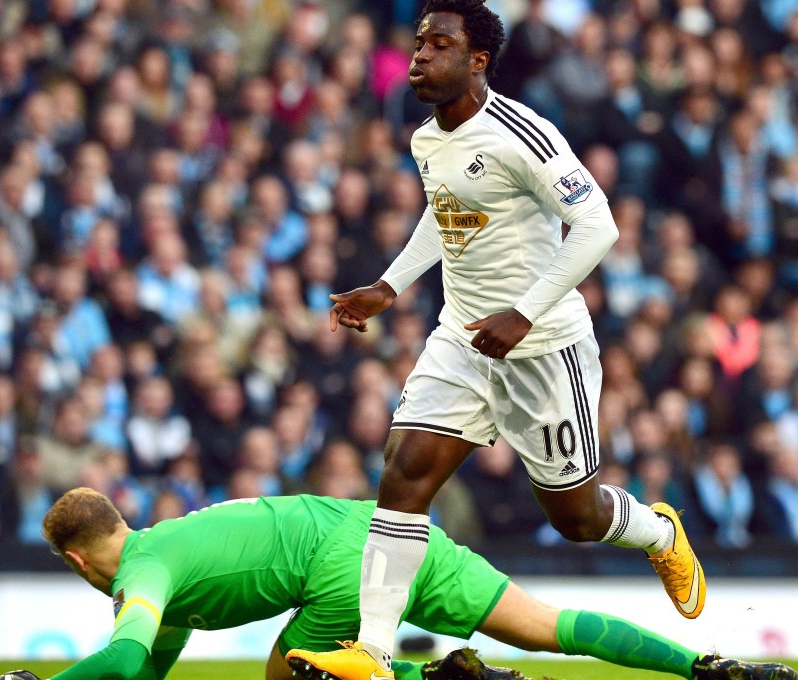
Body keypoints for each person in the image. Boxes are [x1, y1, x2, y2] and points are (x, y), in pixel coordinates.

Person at [290, 2, 704, 679]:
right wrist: (390, 287)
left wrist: (525, 312)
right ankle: (371, 651)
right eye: (418, 42)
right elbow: (444, 212)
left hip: (544, 347)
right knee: (403, 473)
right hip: (462, 336)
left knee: (576, 516)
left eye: (439, 44)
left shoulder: (523, 133)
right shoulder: (428, 139)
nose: (420, 55)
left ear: (477, 60)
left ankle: (660, 531)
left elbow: (598, 225)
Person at [0, 488, 798, 680]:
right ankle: (709, 669)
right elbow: (147, 668)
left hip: (340, 566)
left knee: (289, 671)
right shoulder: (165, 551)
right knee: (543, 625)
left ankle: (434, 674)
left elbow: (123, 665)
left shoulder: (144, 570)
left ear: (76, 558)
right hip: (388, 526)